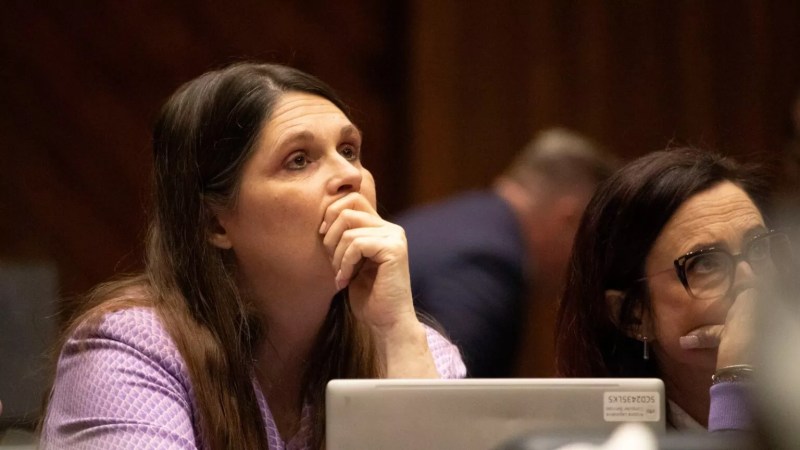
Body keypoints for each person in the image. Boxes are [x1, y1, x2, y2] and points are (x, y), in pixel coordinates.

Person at [40, 62, 466, 449]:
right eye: (298, 160)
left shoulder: (419, 353)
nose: (349, 175)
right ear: (214, 224)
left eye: (350, 150)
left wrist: (397, 332)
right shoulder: (132, 350)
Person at [555, 148, 782, 432]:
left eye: (759, 249)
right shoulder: (608, 441)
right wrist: (737, 385)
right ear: (634, 316)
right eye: (707, 263)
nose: (750, 280)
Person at [396, 129, 616, 377]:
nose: (592, 263)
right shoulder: (489, 262)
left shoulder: (463, 217)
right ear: (569, 219)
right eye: (596, 242)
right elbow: (451, 398)